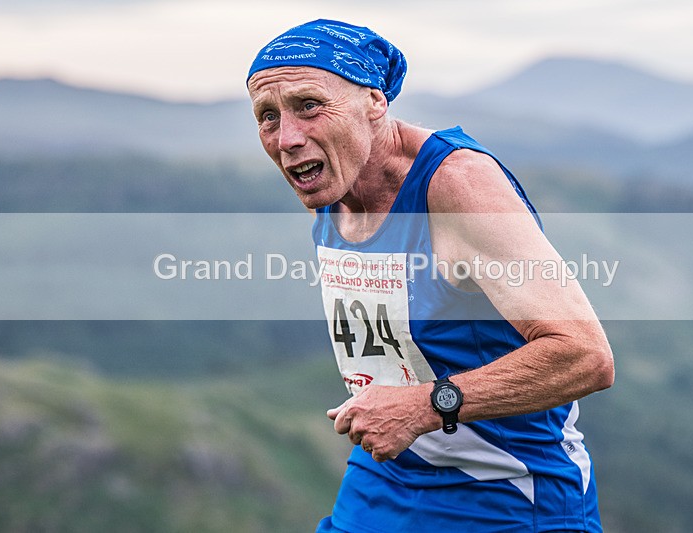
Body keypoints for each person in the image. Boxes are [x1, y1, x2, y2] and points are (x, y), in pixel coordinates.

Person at [247, 19, 614, 533]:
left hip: (506, 495)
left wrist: (424, 406)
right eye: (267, 116)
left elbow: (586, 357)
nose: (286, 138)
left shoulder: (457, 187)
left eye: (309, 105)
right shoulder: (329, 188)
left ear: (374, 102)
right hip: (383, 479)